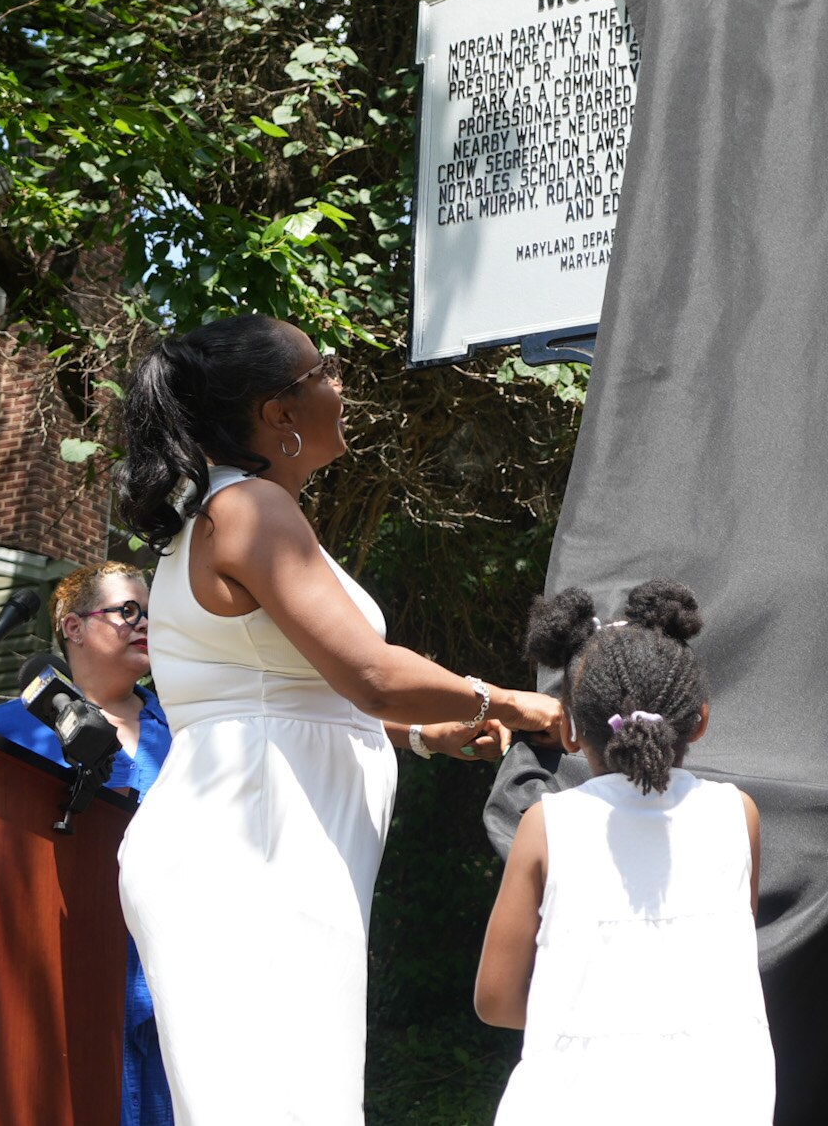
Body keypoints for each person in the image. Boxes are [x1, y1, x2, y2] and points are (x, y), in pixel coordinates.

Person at [111, 313, 563, 1125]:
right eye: (324, 373)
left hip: (250, 840)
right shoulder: (250, 509)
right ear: (277, 413)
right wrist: (507, 699)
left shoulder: (224, 513)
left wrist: (425, 732)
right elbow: (368, 673)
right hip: (250, 848)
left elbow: (289, 690)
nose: (342, 387)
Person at [475, 580, 774, 1126]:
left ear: (568, 728)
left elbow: (496, 1000)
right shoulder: (738, 816)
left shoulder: (547, 826)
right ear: (700, 720)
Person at [0, 560, 175, 1126]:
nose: (144, 625)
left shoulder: (186, 727)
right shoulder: (9, 729)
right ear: (73, 626)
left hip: (170, 982)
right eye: (127, 611)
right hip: (57, 978)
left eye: (152, 615)